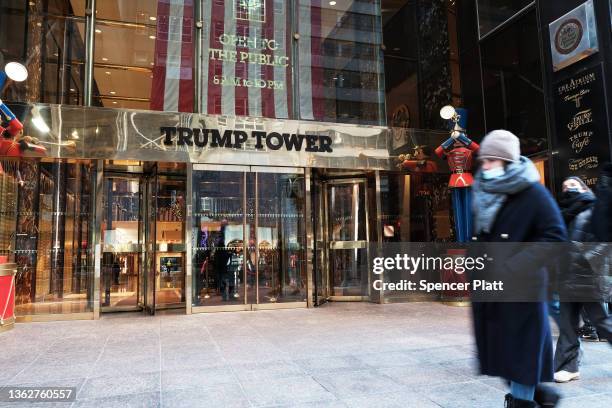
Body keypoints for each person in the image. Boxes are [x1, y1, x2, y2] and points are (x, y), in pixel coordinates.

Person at [471, 130, 567, 408]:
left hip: (522, 292)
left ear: (507, 161)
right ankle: (542, 395)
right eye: (483, 160)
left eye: (491, 160)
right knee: (503, 357)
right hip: (492, 292)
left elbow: (556, 237)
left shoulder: (533, 192)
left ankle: (523, 402)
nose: (485, 165)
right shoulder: (483, 191)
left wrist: (515, 265)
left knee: (519, 358)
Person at [554, 177, 612, 383]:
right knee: (568, 325)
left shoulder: (595, 210)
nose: (569, 188)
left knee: (602, 322)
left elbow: (605, 245)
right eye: (565, 186)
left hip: (589, 278)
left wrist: (580, 259)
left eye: (573, 185)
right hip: (567, 279)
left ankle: (568, 366)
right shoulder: (562, 215)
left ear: (583, 188)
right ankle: (568, 368)